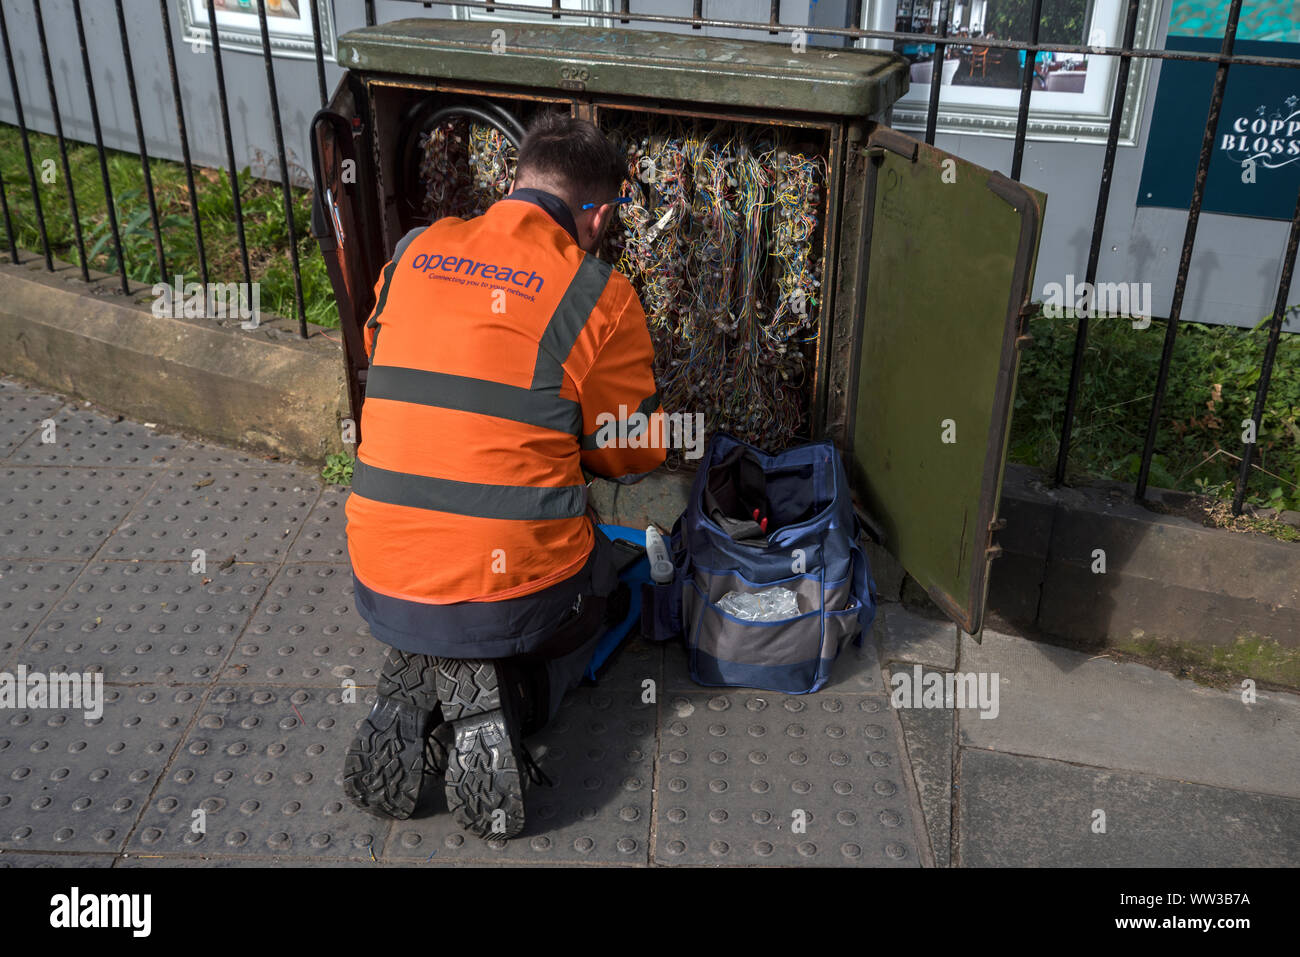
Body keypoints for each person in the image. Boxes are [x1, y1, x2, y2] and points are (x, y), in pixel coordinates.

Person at [341, 112, 666, 839]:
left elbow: (379, 349)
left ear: (514, 181)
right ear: (600, 214)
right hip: (516, 582)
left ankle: (421, 683)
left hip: (378, 564)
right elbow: (633, 450)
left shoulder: (414, 249)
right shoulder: (598, 294)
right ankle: (513, 693)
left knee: (460, 579)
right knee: (604, 590)